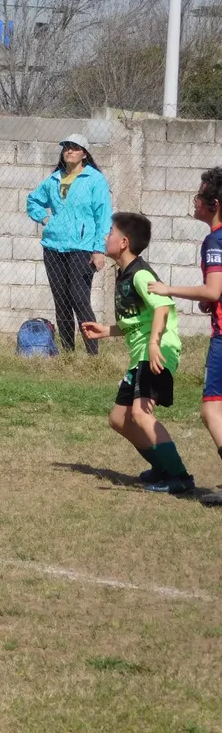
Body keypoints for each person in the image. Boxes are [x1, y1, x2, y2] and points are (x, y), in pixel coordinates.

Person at [80, 212, 193, 494]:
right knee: (119, 420)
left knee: (142, 415)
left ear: (124, 242)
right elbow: (138, 319)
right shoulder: (124, 274)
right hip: (142, 352)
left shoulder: (141, 274)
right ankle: (162, 468)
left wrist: (154, 344)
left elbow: (162, 307)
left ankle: (180, 477)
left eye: (110, 233)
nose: (106, 237)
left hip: (156, 351)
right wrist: (107, 330)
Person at [148, 166, 222, 505]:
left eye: (200, 194)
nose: (194, 199)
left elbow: (212, 289)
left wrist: (168, 288)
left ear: (214, 203)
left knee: (212, 411)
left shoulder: (215, 241)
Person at [26, 134, 112, 355]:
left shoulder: (94, 180)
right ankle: (67, 353)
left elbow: (103, 216)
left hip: (82, 247)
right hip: (53, 247)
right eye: (66, 148)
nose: (69, 151)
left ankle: (93, 354)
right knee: (61, 300)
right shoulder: (54, 179)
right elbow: (32, 200)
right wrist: (45, 219)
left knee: (79, 298)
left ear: (84, 153)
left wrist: (99, 249)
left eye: (74, 148)